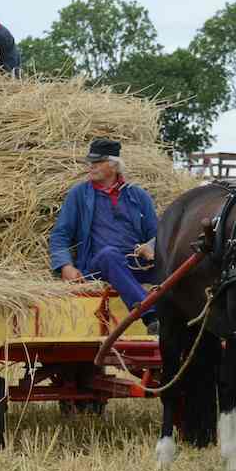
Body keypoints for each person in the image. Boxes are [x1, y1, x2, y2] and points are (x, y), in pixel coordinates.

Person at [49, 138, 161, 335]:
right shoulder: (79, 195)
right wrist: (65, 266)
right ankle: (151, 315)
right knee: (109, 254)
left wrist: (151, 245)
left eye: (97, 162)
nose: (91, 166)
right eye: (90, 162)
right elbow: (61, 234)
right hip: (98, 265)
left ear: (114, 165)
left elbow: (159, 234)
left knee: (177, 267)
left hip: (135, 265)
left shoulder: (138, 196)